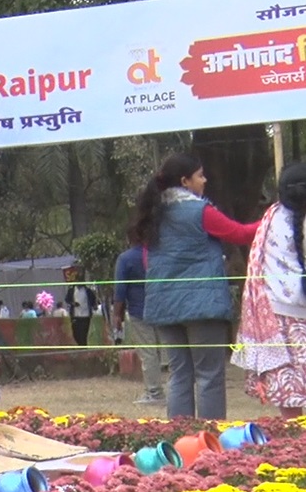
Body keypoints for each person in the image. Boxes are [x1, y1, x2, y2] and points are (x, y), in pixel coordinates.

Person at [129, 152, 259, 419]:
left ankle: (181, 439)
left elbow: (147, 259)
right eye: (200, 175)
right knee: (209, 375)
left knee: (179, 374)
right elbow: (240, 234)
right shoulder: (200, 212)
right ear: (185, 181)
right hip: (202, 308)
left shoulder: (154, 215)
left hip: (164, 307)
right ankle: (209, 441)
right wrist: (271, 218)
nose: (205, 180)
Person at [234, 162, 306, 415]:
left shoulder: (270, 219)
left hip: (275, 314)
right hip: (292, 315)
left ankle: (293, 441)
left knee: (287, 385)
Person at [111, 245, 164, 405]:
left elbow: (120, 289)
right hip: (162, 308)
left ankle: (154, 392)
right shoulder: (159, 252)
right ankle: (163, 390)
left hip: (139, 310)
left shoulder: (126, 258)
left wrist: (117, 314)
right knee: (161, 352)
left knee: (148, 353)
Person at [63, 268, 99, 347]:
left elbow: (93, 300)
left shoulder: (88, 291)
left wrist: (94, 306)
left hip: (85, 316)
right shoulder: (71, 290)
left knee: (83, 333)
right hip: (76, 315)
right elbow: (67, 299)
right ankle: (81, 345)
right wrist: (73, 303)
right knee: (76, 333)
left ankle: (83, 347)